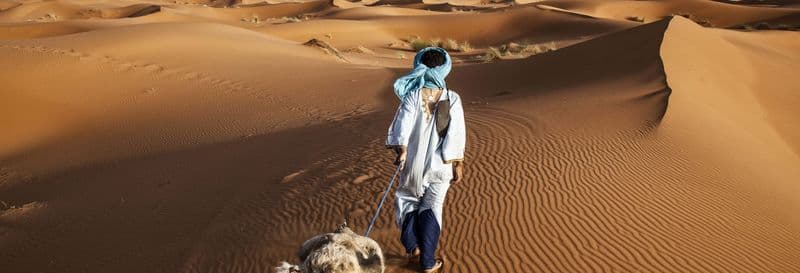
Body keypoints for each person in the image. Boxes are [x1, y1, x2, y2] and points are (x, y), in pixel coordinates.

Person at [386, 46, 466, 273]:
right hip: (441, 164)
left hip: (412, 163)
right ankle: (428, 262)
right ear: (445, 68)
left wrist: (401, 150)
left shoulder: (412, 95)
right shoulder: (452, 98)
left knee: (407, 202)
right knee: (433, 207)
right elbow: (456, 133)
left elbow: (403, 126)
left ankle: (414, 251)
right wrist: (457, 163)